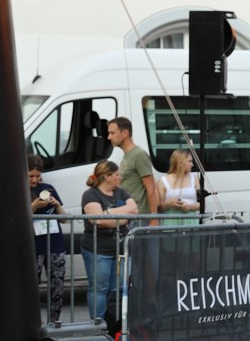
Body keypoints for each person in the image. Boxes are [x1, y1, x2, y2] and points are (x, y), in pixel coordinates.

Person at [80, 160, 138, 321]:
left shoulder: (121, 192)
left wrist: (109, 213)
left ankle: (114, 323)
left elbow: (134, 210)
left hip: (121, 250)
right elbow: (98, 220)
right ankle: (98, 324)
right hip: (98, 250)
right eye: (117, 174)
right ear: (107, 176)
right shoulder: (90, 195)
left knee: (117, 289)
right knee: (99, 289)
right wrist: (121, 217)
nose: (120, 177)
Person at [28, 155, 67, 324]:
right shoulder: (18, 189)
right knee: (30, 286)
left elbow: (64, 219)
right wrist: (34, 207)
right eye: (31, 176)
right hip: (33, 245)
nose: (35, 180)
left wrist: (57, 205)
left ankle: (54, 322)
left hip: (55, 243)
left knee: (57, 286)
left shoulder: (48, 188)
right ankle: (33, 322)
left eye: (38, 176)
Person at [107, 117, 157, 223]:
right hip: (129, 215)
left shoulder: (139, 155)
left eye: (112, 133)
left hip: (139, 217)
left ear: (125, 133)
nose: (109, 137)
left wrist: (153, 219)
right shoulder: (128, 154)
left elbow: (151, 187)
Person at [158, 149, 200, 226]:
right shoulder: (163, 180)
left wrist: (189, 206)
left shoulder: (194, 178)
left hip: (191, 222)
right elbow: (159, 206)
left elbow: (202, 204)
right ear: (180, 162)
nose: (192, 164)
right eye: (189, 161)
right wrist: (169, 203)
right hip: (171, 222)